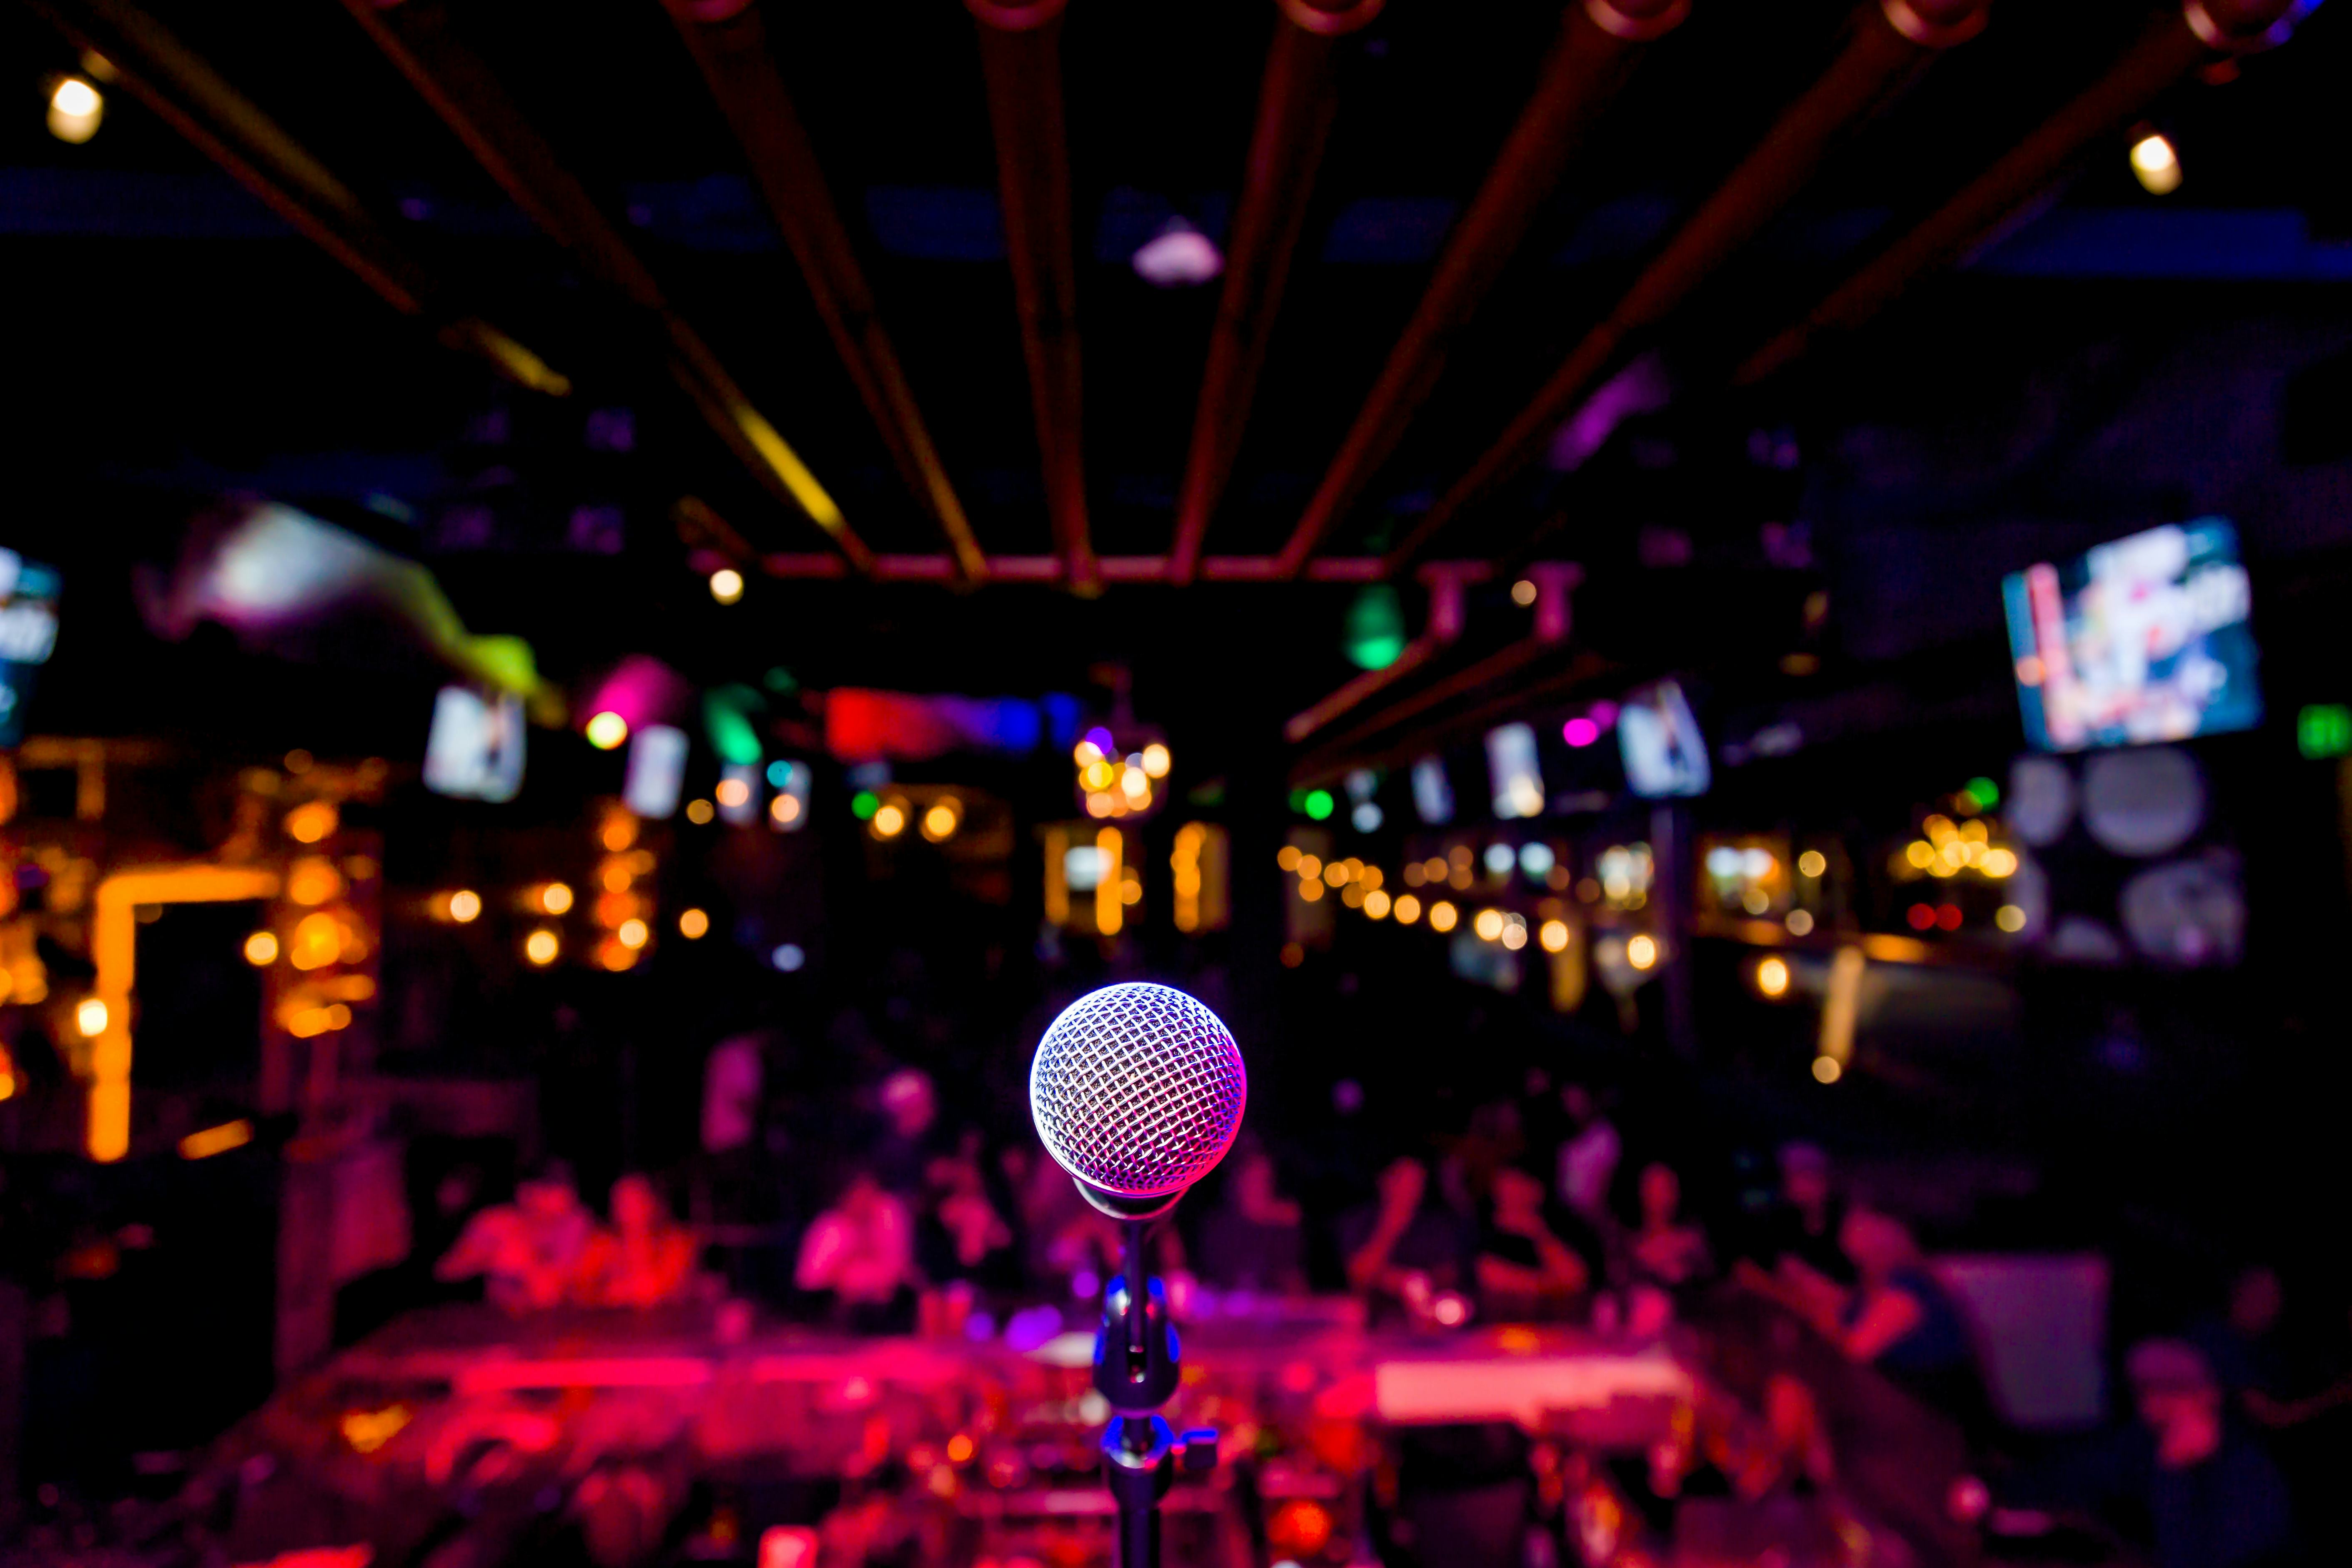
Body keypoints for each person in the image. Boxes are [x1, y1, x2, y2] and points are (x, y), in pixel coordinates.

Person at [435, 1162, 594, 1312]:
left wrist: (531, 1267)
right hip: (494, 1316)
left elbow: (558, 1282)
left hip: (560, 1318)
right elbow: (445, 1271)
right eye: (549, 1192)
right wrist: (489, 1258)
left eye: (567, 1194)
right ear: (524, 1192)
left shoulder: (577, 1222)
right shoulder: (495, 1223)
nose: (559, 1202)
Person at [1336, 1157, 1474, 1320]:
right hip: (1369, 1320)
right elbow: (1359, 1276)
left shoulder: (1436, 1225)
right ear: (1384, 1182)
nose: (1411, 1189)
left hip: (1427, 1320)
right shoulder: (1358, 1221)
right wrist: (1389, 1230)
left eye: (1417, 1181)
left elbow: (1449, 1275)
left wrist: (1415, 1284)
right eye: (1404, 1180)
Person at [794, 1169, 918, 1332]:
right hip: (841, 1305)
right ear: (846, 1197)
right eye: (860, 1195)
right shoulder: (830, 1229)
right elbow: (811, 1281)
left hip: (885, 1303)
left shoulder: (886, 1220)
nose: (866, 1202)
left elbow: (898, 1267)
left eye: (871, 1195)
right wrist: (848, 1256)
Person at [1473, 1163, 1592, 1321]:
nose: (1513, 1198)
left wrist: (1539, 1234)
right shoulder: (1481, 1230)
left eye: (1520, 1191)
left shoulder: (1565, 1228)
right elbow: (1493, 1279)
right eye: (1507, 1192)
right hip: (1494, 1330)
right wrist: (1555, 1285)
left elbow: (1577, 1281)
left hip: (1560, 1331)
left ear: (1538, 1191)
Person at [577, 1175, 702, 1309]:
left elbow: (663, 1287)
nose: (628, 1209)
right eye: (622, 1202)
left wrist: (623, 1291)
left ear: (653, 1203)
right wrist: (599, 1291)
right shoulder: (604, 1243)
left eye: (636, 1201)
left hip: (672, 1324)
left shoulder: (677, 1242)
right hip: (619, 1326)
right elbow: (581, 1283)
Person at [1197, 1144, 1306, 1295]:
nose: (1257, 1188)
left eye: (1264, 1181)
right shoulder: (1218, 1226)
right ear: (1236, 1184)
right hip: (1230, 1310)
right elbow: (1213, 1282)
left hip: (1275, 1308)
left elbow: (1293, 1281)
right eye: (1251, 1180)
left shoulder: (1284, 1226)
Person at [1626, 1162, 1713, 1292]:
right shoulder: (1629, 1246)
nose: (1664, 1197)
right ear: (1642, 1192)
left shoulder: (1692, 1242)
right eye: (1656, 1188)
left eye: (1669, 1188)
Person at [1555, 1084, 1621, 1224]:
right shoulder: (1564, 1140)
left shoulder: (1604, 1137)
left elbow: (1606, 1187)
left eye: (1577, 1100)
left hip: (1595, 1220)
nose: (1572, 1107)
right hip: (1566, 1218)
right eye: (1568, 1101)